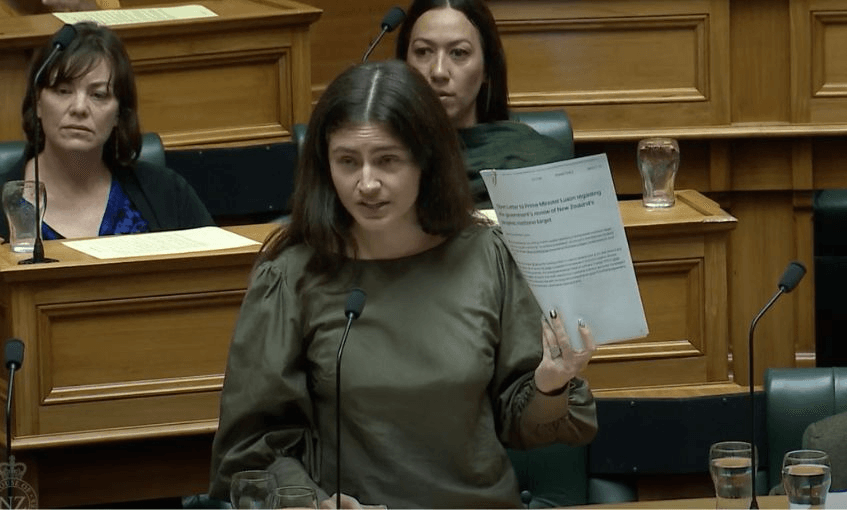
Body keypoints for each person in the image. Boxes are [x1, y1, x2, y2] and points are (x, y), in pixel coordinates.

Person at [208, 59, 597, 509]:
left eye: (387, 160)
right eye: (347, 161)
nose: (366, 183)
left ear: (426, 159)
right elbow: (254, 449)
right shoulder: (293, 275)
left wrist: (551, 384)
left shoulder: (486, 256)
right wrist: (312, 502)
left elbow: (525, 422)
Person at [0, 21, 212, 242]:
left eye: (98, 95)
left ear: (119, 114)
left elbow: (217, 270)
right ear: (38, 103)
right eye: (63, 91)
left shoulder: (167, 193)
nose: (79, 108)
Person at [396, 0, 573, 205]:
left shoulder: (538, 162)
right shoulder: (380, 157)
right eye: (423, 52)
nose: (438, 72)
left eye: (458, 53)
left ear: (487, 69)